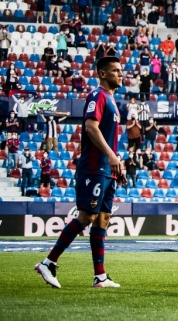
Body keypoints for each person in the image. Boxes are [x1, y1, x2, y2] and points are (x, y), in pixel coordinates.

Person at [34, 55, 127, 289]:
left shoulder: (113, 100)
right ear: (102, 74)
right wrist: (111, 156)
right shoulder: (98, 95)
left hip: (108, 169)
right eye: (115, 70)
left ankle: (100, 276)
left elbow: (107, 136)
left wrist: (118, 162)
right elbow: (90, 127)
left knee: (103, 219)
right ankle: (48, 262)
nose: (120, 73)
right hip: (94, 167)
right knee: (86, 216)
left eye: (121, 69)